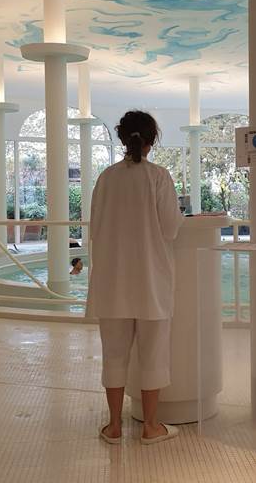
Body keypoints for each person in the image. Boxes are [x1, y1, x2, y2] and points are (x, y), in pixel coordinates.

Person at [86, 110, 184, 446]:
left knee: (114, 354)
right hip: (151, 281)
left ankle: (114, 427)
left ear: (121, 137)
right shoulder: (158, 177)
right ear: (152, 140)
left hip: (112, 281)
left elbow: (95, 229)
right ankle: (150, 426)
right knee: (153, 353)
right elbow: (171, 228)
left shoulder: (106, 178)